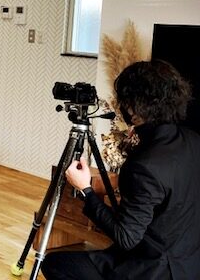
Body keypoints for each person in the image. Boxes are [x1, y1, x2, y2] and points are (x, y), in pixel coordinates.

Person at [42, 60, 200, 280]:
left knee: (55, 263)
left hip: (153, 269)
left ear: (133, 106)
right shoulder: (193, 140)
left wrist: (86, 189)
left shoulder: (145, 167)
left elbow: (126, 237)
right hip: (189, 264)